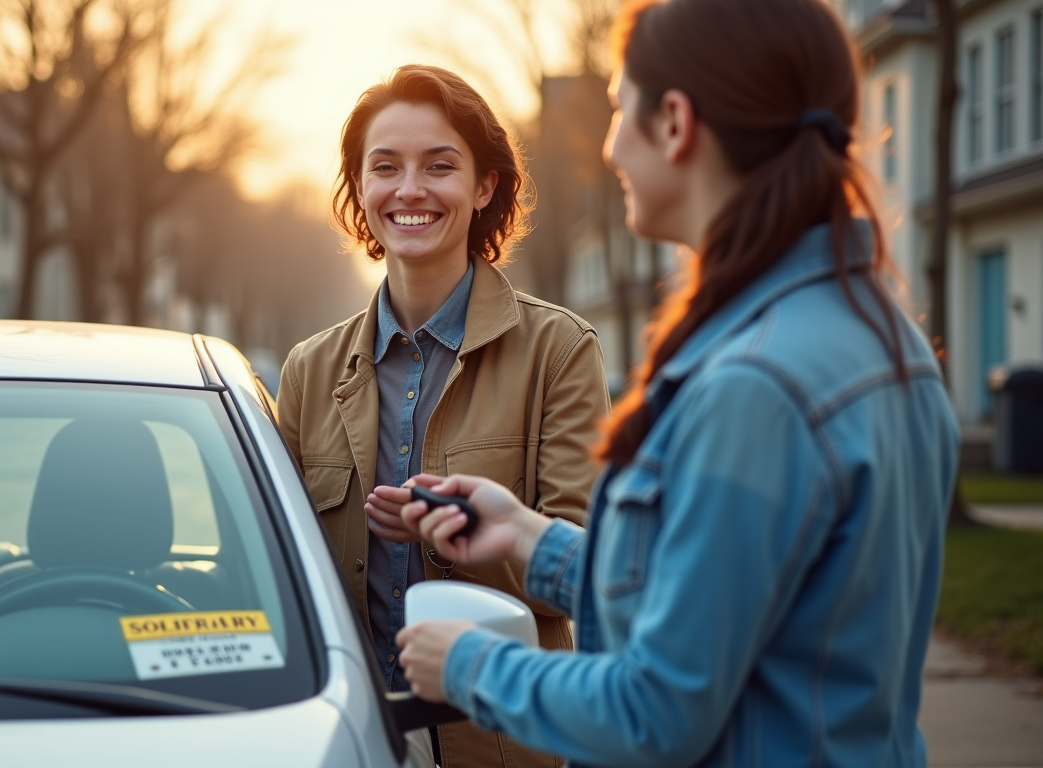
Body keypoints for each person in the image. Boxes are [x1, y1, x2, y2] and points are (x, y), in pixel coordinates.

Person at [392, 1, 961, 766]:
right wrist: (531, 538)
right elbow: (733, 606)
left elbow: (655, 712)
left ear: (675, 123)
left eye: (621, 109)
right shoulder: (878, 338)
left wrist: (467, 665)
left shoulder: (755, 386)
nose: (611, 146)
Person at [278, 64, 610, 768]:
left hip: (506, 743)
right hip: (348, 741)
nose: (410, 190)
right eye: (385, 167)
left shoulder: (560, 352)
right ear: (360, 188)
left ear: (484, 186)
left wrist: (465, 537)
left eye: (439, 166)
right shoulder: (307, 371)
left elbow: (587, 565)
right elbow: (283, 575)